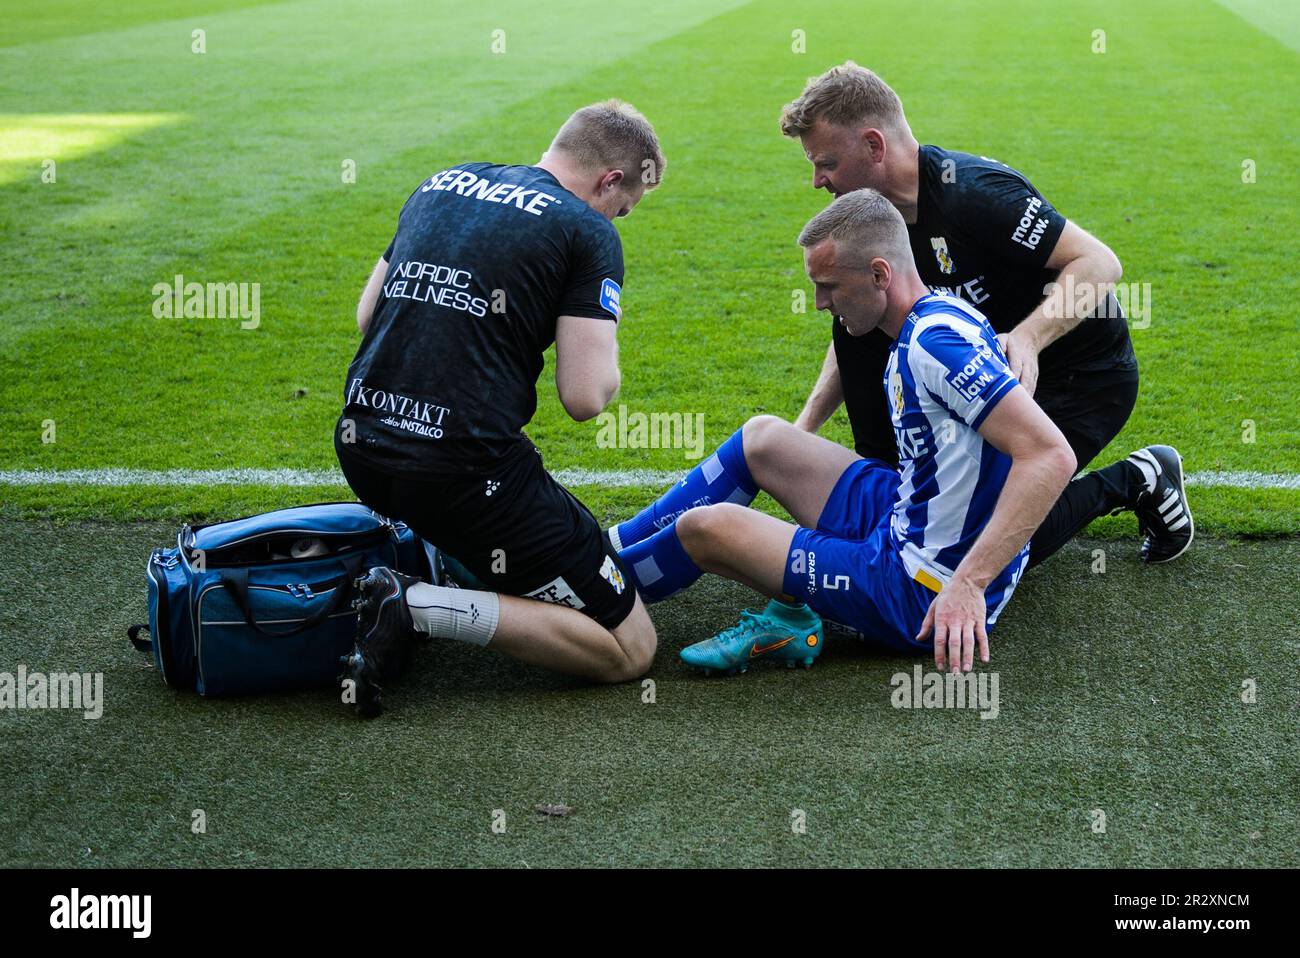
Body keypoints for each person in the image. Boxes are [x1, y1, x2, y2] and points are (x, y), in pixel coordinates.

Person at [611, 189, 1077, 675]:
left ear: (880, 274)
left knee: (705, 528)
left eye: (829, 286)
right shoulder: (941, 312)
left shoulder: (933, 346)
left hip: (921, 589)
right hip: (910, 514)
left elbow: (1050, 456)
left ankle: (598, 592)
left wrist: (970, 585)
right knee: (763, 438)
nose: (818, 302)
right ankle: (610, 548)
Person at [779, 62, 1191, 567]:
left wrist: (1028, 339)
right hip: (985, 382)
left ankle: (1139, 478)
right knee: (926, 519)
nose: (817, 181)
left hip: (1078, 376)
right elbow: (855, 323)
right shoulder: (874, 224)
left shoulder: (973, 193)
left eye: (826, 163)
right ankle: (886, 486)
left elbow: (1100, 263)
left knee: (991, 543)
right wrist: (800, 432)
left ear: (873, 146)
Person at [332, 101, 665, 716]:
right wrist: (608, 361)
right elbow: (584, 397)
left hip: (363, 449)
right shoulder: (587, 232)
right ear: (611, 181)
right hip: (459, 473)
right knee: (632, 647)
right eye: (623, 209)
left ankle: (440, 557)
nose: (618, 218)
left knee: (501, 534)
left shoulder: (441, 182)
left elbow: (366, 317)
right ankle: (411, 605)